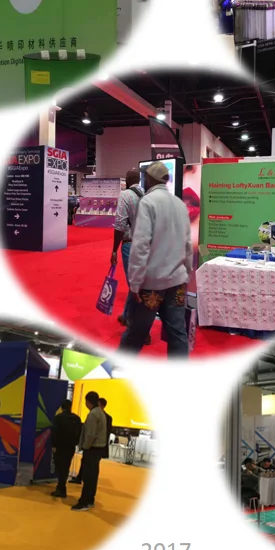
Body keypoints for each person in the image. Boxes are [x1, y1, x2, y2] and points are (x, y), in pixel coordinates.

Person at [121, 162, 193, 356]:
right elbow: (188, 243)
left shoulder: (148, 202)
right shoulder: (179, 204)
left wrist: (135, 282)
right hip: (177, 280)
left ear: (150, 179)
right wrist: (187, 272)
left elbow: (141, 245)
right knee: (177, 333)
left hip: (152, 282)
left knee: (136, 333)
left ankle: (118, 369)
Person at [110, 168, 144, 330]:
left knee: (134, 284)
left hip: (130, 244)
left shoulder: (125, 195)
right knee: (138, 282)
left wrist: (114, 250)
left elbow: (120, 225)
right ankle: (127, 315)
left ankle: (138, 324)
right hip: (146, 244)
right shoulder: (146, 195)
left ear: (128, 179)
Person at [72, 391, 109, 512]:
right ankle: (90, 500)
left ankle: (84, 501)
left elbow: (90, 434)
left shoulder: (93, 414)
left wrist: (85, 447)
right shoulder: (101, 412)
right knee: (93, 476)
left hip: (92, 449)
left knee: (88, 477)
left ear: (88, 402)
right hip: (98, 449)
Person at [41, 399, 83, 493]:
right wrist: (76, 442)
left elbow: (54, 432)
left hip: (60, 446)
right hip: (71, 446)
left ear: (62, 407)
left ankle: (61, 487)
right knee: (66, 466)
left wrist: (54, 445)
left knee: (60, 467)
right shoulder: (76, 419)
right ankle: (62, 486)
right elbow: (80, 432)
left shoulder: (58, 418)